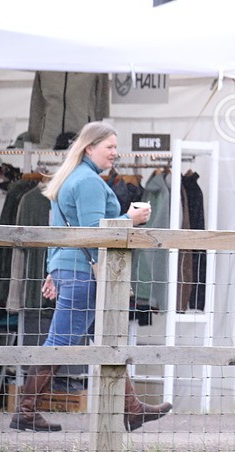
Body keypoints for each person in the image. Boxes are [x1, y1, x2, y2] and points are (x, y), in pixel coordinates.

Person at [9, 121, 172, 432]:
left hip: (69, 268)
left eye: (115, 146)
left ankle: (133, 409)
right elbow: (95, 233)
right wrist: (130, 218)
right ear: (89, 147)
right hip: (85, 273)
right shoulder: (89, 182)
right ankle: (26, 409)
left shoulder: (69, 177)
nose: (115, 153)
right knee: (61, 342)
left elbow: (60, 232)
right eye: (109, 146)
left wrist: (52, 271)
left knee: (108, 338)